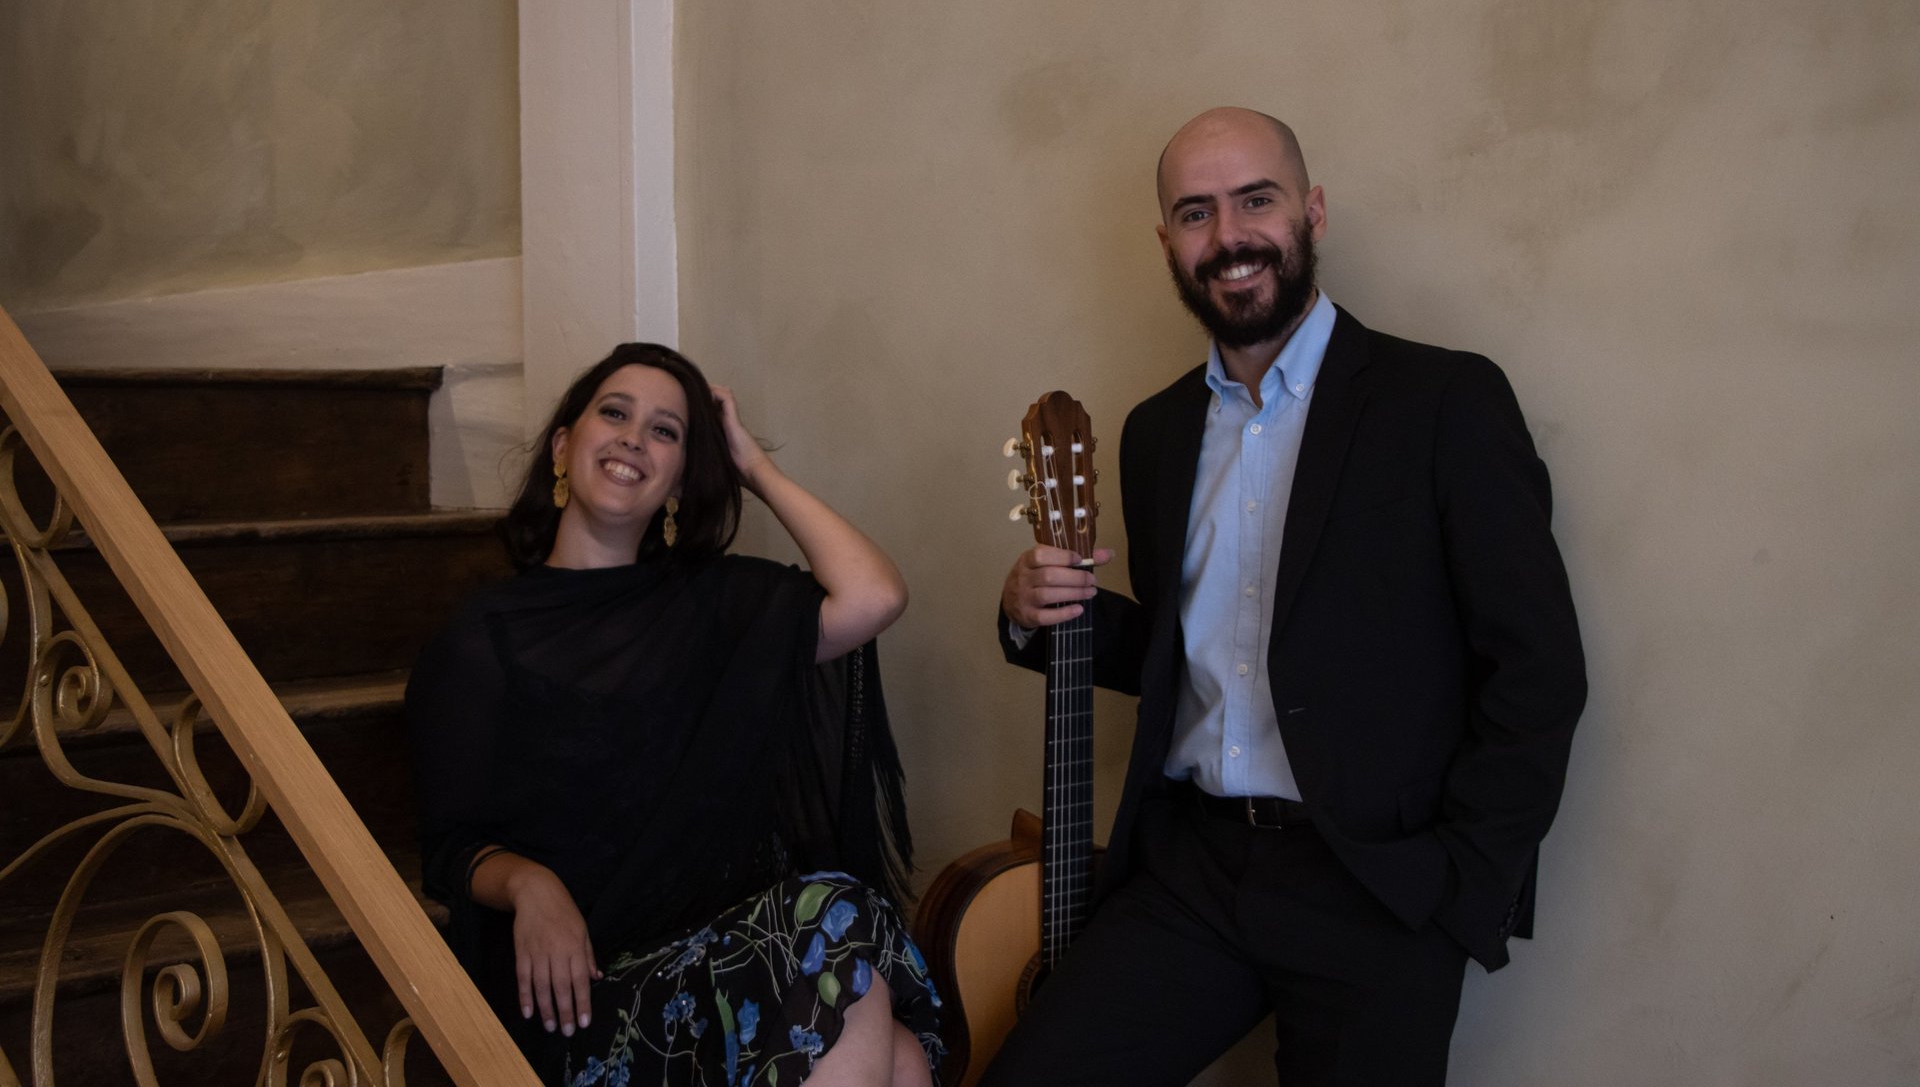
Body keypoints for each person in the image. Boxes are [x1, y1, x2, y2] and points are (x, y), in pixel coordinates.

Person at [985, 108, 1587, 1086]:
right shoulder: (1156, 430)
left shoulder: (1443, 401)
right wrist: (1032, 611)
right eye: (1195, 212)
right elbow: (1190, 652)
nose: (1228, 236)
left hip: (1375, 883)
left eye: (1254, 200)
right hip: (1193, 867)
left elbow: (1536, 668)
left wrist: (1455, 883)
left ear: (1310, 211)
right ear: (1167, 241)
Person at [407, 342, 943, 1087]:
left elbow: (875, 595)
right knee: (866, 994)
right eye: (615, 413)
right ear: (564, 445)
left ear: (683, 479)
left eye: (666, 431)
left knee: (898, 1046)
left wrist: (753, 466)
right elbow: (447, 847)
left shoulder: (713, 603)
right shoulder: (483, 635)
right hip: (585, 992)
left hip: (723, 958)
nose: (634, 437)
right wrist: (531, 883)